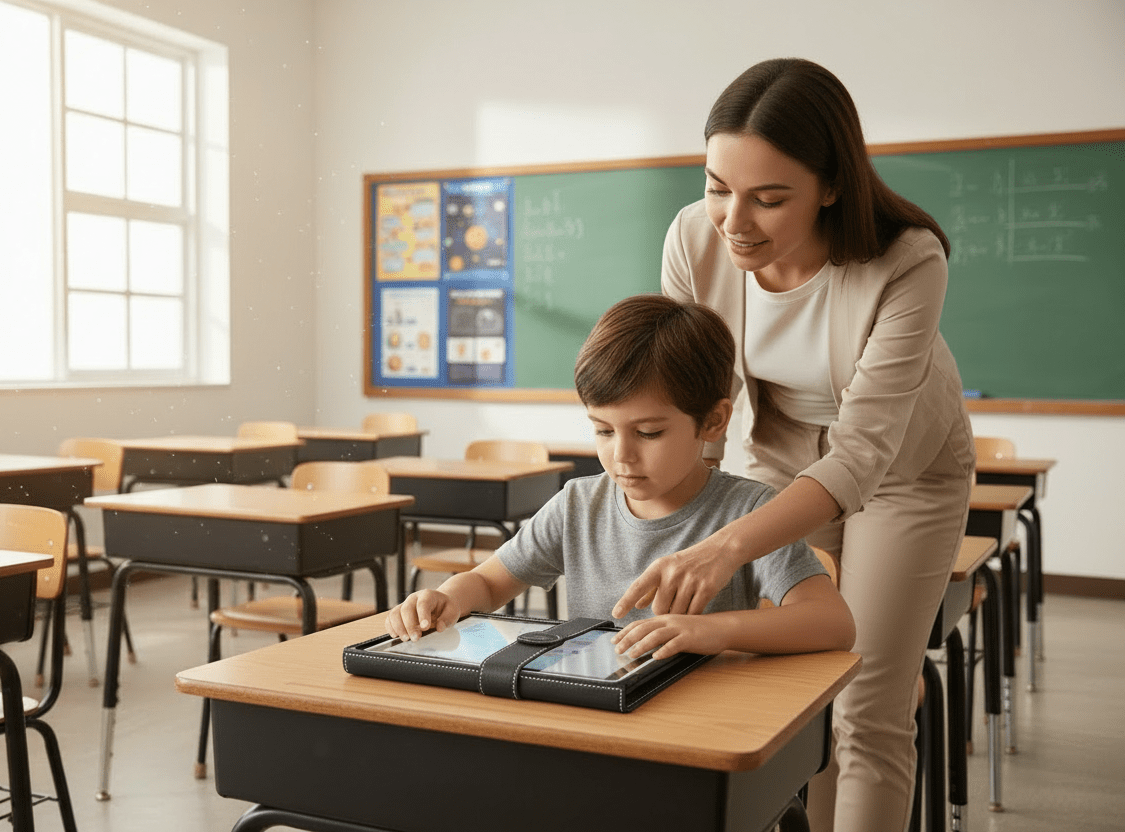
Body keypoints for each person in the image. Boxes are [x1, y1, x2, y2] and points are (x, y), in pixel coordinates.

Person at [613, 58, 975, 831]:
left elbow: (862, 455)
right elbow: (686, 394)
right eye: (717, 186)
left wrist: (725, 548)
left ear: (831, 185)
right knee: (789, 692)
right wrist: (661, 502)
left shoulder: (908, 260)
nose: (734, 221)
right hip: (776, 449)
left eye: (769, 198)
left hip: (903, 469)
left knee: (868, 703)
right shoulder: (694, 237)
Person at [386, 294, 855, 666]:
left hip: (702, 726)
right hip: (599, 718)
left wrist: (716, 631)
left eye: (649, 432)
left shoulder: (749, 513)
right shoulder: (578, 505)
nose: (621, 455)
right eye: (603, 430)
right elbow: (488, 585)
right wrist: (444, 598)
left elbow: (833, 624)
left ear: (713, 422)